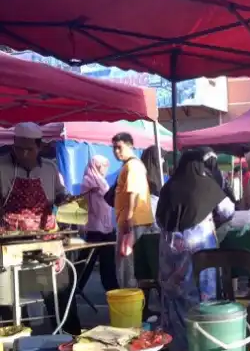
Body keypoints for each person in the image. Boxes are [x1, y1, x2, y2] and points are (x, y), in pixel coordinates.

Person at [0, 122, 81, 334]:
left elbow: (60, 194)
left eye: (29, 149)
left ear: (40, 147)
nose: (24, 153)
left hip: (46, 242)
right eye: (19, 148)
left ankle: (70, 337)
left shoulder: (50, 168)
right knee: (10, 299)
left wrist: (67, 200)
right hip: (11, 242)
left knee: (59, 292)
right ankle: (14, 345)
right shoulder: (1, 168)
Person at [155, 149, 227, 351]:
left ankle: (176, 345)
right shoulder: (207, 185)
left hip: (168, 247)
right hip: (198, 248)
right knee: (200, 294)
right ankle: (199, 346)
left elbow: (159, 219)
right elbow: (227, 211)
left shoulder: (169, 186)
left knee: (173, 295)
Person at [112, 132, 155, 289]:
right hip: (132, 220)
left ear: (130, 146)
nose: (116, 151)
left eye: (119, 147)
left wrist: (128, 217)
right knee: (127, 262)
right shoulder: (130, 165)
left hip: (133, 221)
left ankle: (129, 297)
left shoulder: (133, 165)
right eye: (114, 148)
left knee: (126, 264)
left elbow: (133, 192)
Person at [80, 155, 118, 292]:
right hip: (94, 226)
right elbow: (84, 202)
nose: (105, 169)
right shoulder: (88, 181)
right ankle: (74, 287)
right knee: (87, 261)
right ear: (96, 166)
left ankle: (112, 289)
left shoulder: (102, 181)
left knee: (108, 261)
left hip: (107, 226)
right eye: (103, 166)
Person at [140, 146, 164, 219]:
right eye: (161, 157)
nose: (163, 160)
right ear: (155, 159)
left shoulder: (141, 173)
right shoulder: (150, 180)